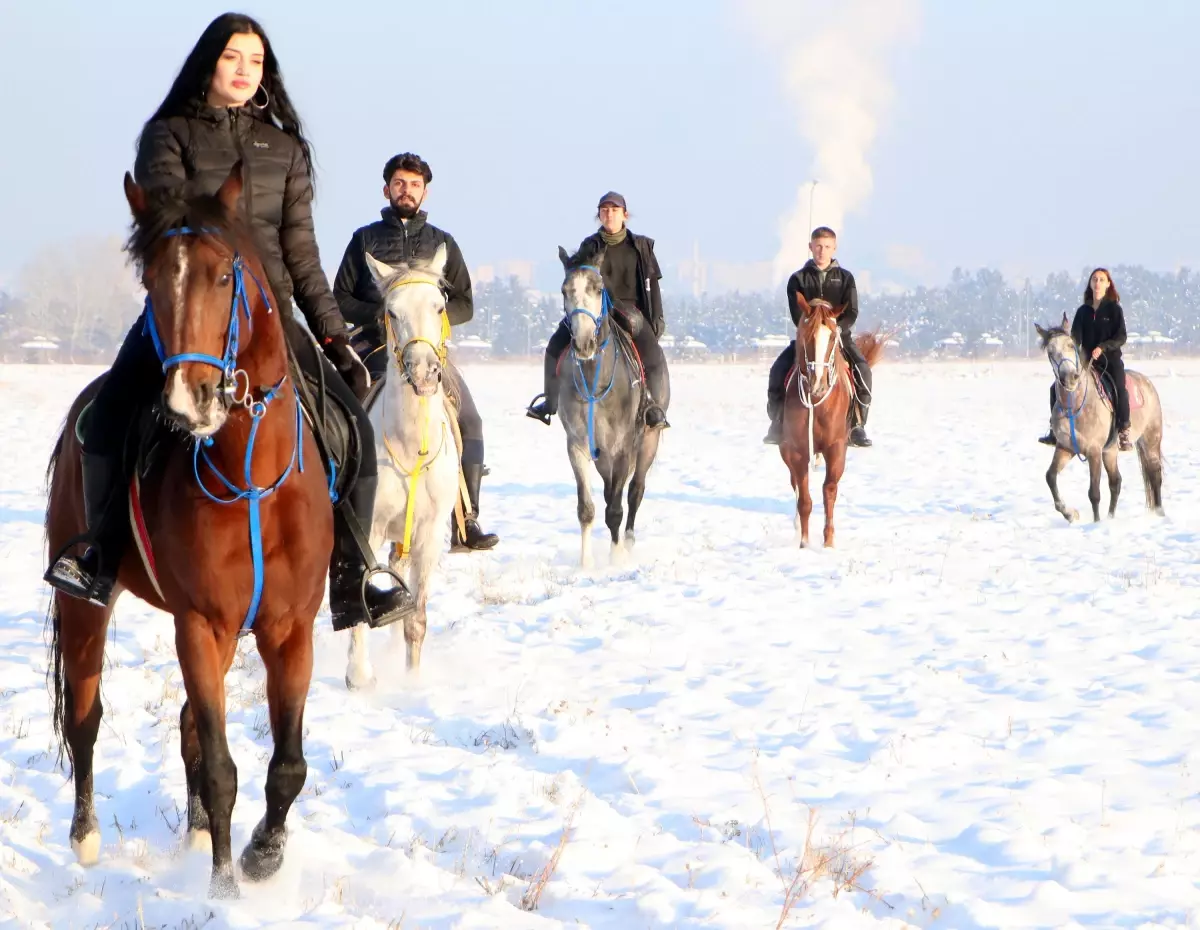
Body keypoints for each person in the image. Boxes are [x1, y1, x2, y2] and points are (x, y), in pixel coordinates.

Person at [43, 12, 416, 630]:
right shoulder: (168, 135)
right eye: (232, 58)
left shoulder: (286, 149)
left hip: (269, 319)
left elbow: (301, 254)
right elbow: (166, 230)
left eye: (256, 61)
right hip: (189, 311)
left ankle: (355, 574)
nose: (244, 71)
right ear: (208, 63)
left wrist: (331, 332)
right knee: (105, 417)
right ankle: (100, 553)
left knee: (352, 425)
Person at [333, 152, 499, 552]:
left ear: (425, 191)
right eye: (399, 184)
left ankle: (466, 519)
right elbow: (339, 297)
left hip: (430, 350)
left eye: (414, 184)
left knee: (470, 420)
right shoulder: (364, 239)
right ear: (386, 189)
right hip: (375, 347)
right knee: (341, 412)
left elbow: (465, 303)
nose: (406, 191)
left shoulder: (443, 242)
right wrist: (386, 315)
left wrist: (433, 322)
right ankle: (337, 503)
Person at [525, 192, 669, 429]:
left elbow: (653, 284)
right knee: (554, 346)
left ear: (624, 214)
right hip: (592, 310)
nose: (608, 214)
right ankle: (550, 402)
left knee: (652, 352)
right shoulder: (590, 245)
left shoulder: (641, 246)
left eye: (614, 210)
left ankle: (653, 406)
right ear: (599, 215)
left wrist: (657, 318)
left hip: (629, 311)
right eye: (604, 210)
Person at [764, 227, 872, 447]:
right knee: (777, 371)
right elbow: (797, 315)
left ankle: (857, 425)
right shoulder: (798, 279)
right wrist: (812, 329)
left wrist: (835, 328)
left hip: (839, 337)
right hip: (808, 339)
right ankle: (777, 423)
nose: (822, 251)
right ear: (810, 247)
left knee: (863, 371)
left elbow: (851, 312)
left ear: (834, 248)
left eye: (827, 247)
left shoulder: (845, 278)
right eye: (818, 246)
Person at [1038, 267, 1131, 451]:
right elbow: (1077, 338)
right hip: (1087, 362)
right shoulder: (1083, 311)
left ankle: (1123, 430)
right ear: (1090, 284)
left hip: (1110, 361)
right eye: (1094, 279)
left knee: (1120, 388)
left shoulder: (1114, 310)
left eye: (1101, 280)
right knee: (1055, 388)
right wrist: (1065, 339)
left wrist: (1103, 347)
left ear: (1108, 284)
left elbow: (1121, 337)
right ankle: (1054, 431)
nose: (1097, 283)